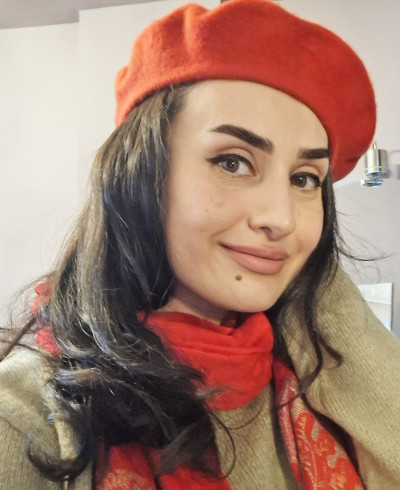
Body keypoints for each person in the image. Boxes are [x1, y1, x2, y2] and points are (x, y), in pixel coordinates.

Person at [0, 0, 399, 488]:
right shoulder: (22, 415)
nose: (282, 219)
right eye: (233, 162)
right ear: (139, 177)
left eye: (304, 178)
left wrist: (321, 291)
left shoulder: (318, 375)